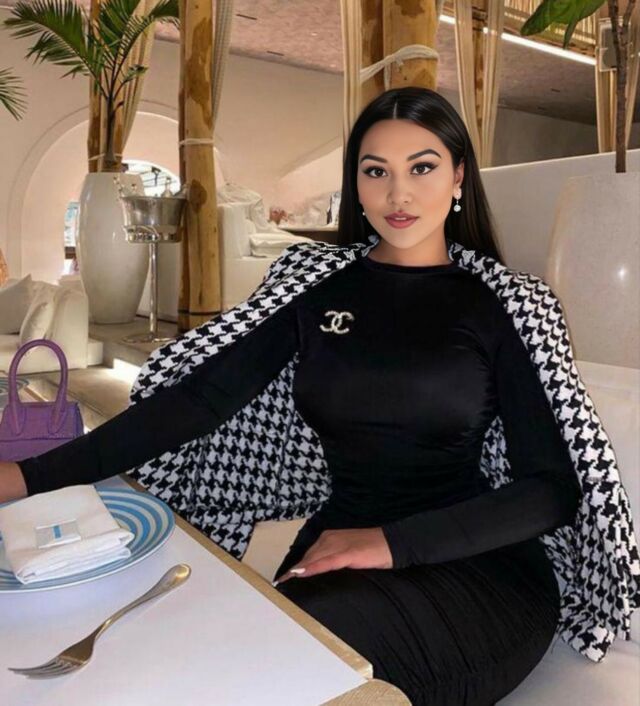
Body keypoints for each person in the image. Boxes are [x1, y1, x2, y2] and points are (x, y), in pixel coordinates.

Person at [0, 87, 584, 706]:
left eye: (422, 167)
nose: (399, 194)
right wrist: (28, 476)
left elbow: (551, 489)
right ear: (355, 184)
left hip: (479, 571)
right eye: (376, 171)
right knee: (230, 663)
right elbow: (197, 402)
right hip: (342, 549)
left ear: (459, 175)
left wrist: (392, 544)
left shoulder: (506, 303)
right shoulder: (315, 288)